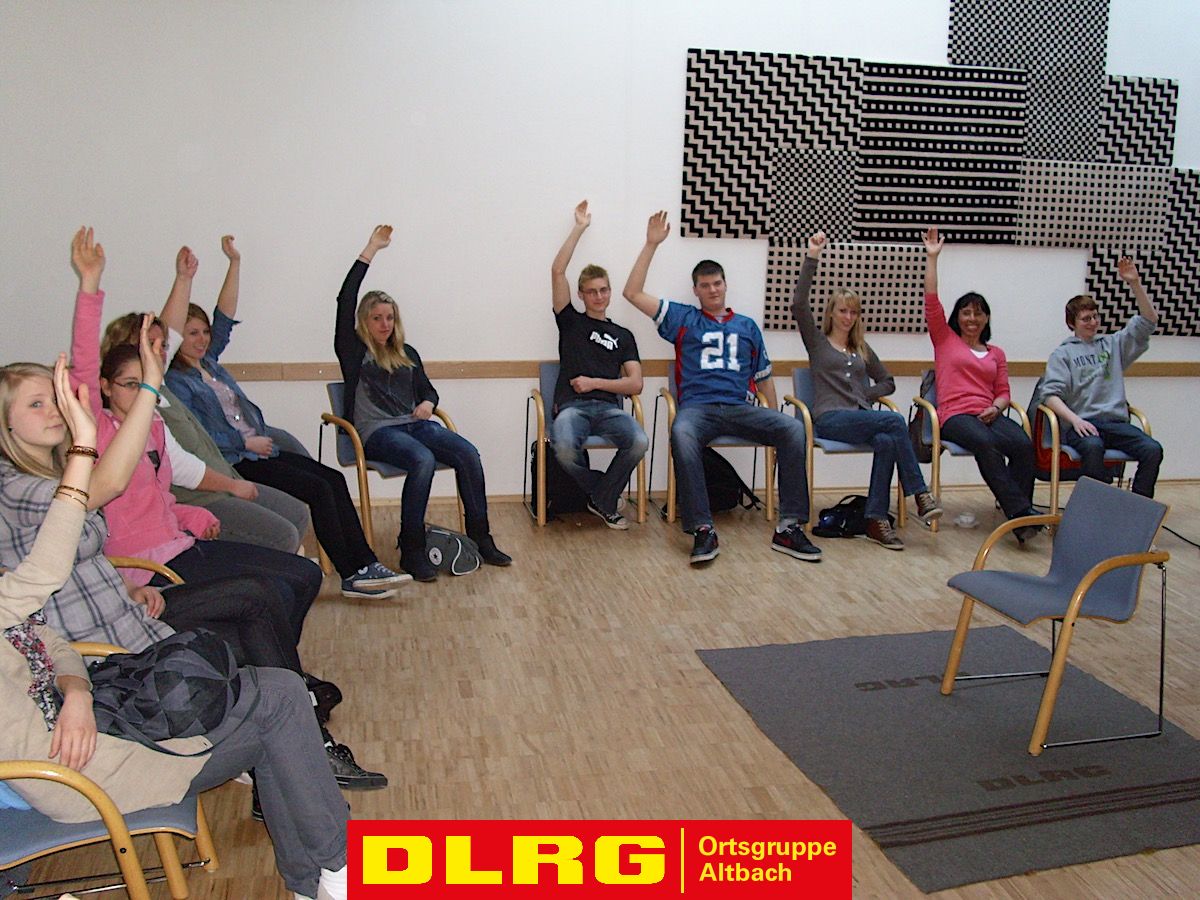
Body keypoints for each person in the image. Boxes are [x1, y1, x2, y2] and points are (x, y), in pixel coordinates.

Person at [0, 364, 350, 900]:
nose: (53, 410)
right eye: (36, 403)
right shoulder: (17, 494)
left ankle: (320, 878)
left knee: (276, 693)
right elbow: (46, 571)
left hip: (104, 703)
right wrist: (90, 436)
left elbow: (50, 640)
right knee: (278, 700)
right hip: (83, 768)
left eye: (54, 399)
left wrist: (76, 692)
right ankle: (333, 870)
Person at [161, 236, 408, 598]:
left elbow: (225, 318)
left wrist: (234, 263)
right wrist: (244, 442)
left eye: (204, 333)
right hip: (236, 461)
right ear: (175, 340)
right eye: (191, 334)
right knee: (318, 489)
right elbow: (199, 437)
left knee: (331, 479)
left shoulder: (209, 363)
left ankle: (365, 564)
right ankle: (354, 574)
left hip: (261, 451)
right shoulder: (175, 381)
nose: (201, 339)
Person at [622, 210, 820, 564]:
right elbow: (632, 293)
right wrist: (651, 244)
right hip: (698, 410)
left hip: (741, 408)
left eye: (717, 284)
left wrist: (772, 418)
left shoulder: (747, 326)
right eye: (705, 285)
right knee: (681, 433)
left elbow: (763, 378)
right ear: (696, 290)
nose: (712, 290)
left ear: (725, 285)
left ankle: (789, 527)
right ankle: (702, 529)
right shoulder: (684, 318)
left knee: (792, 428)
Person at [334, 225, 512, 581]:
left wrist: (429, 403)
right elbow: (345, 299)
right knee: (422, 459)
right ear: (364, 321)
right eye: (377, 318)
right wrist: (370, 249)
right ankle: (411, 547)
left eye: (390, 317)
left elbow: (429, 391)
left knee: (468, 453)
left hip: (415, 425)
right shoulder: (353, 351)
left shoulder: (407, 353)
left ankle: (481, 537)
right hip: (377, 433)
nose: (385, 324)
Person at [103, 303, 311, 555]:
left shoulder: (162, 388)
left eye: (164, 346)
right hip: (199, 497)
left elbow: (211, 326)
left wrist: (185, 278)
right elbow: (180, 467)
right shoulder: (139, 404)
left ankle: (287, 572)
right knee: (283, 534)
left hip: (225, 477)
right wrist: (232, 483)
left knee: (298, 511)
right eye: (151, 345)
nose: (161, 353)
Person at [792, 231, 942, 549]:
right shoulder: (817, 343)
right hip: (829, 419)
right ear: (831, 313)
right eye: (843, 310)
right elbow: (798, 304)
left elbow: (887, 381)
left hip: (860, 418)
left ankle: (875, 519)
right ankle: (919, 493)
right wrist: (812, 255)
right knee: (894, 421)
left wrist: (863, 396)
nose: (848, 317)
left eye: (853, 312)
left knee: (888, 440)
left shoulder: (860, 348)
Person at [921, 227, 1038, 542]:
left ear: (986, 318)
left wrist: (996, 408)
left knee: (1023, 445)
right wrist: (932, 258)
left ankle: (1020, 517)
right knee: (986, 444)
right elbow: (931, 300)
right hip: (954, 416)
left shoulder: (996, 352)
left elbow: (1003, 392)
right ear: (957, 317)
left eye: (978, 313)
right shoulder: (945, 340)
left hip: (989, 413)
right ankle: (1021, 514)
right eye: (966, 313)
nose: (972, 318)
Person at [549, 200, 648, 529]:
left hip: (608, 408)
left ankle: (601, 497)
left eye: (604, 290)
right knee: (564, 450)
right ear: (581, 295)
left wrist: (594, 383)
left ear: (609, 292)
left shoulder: (623, 335)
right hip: (572, 408)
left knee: (639, 441)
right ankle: (604, 494)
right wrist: (579, 228)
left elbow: (635, 384)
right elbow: (557, 271)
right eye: (591, 292)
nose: (599, 296)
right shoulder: (571, 322)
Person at [1035, 258, 1162, 496]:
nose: (1093, 322)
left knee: (1152, 449)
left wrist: (1135, 284)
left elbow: (1149, 321)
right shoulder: (1063, 354)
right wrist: (1075, 421)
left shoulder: (1113, 345)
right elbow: (1050, 396)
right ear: (1072, 323)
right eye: (1086, 319)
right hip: (1083, 424)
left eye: (1095, 317)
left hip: (1116, 424)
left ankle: (1138, 505)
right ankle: (1095, 506)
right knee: (1093, 448)